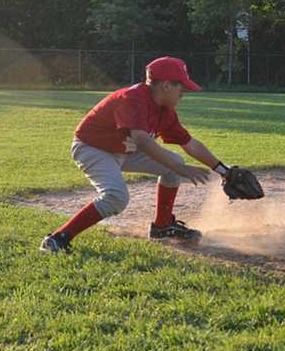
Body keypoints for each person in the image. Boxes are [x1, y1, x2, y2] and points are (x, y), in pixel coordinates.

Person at [40, 56, 236, 253]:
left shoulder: (165, 111)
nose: (183, 93)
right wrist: (180, 169)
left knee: (174, 162)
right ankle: (57, 239)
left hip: (123, 151)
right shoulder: (133, 98)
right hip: (93, 149)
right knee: (116, 197)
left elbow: (190, 143)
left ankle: (162, 227)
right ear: (166, 85)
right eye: (181, 87)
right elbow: (141, 139)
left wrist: (223, 170)